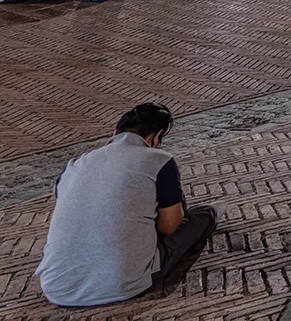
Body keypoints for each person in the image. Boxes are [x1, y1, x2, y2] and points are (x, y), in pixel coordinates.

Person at [35, 103, 217, 307]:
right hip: (123, 284)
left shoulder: (75, 165)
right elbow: (169, 227)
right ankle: (212, 213)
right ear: (156, 138)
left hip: (56, 287)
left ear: (114, 133)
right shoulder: (159, 159)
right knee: (204, 215)